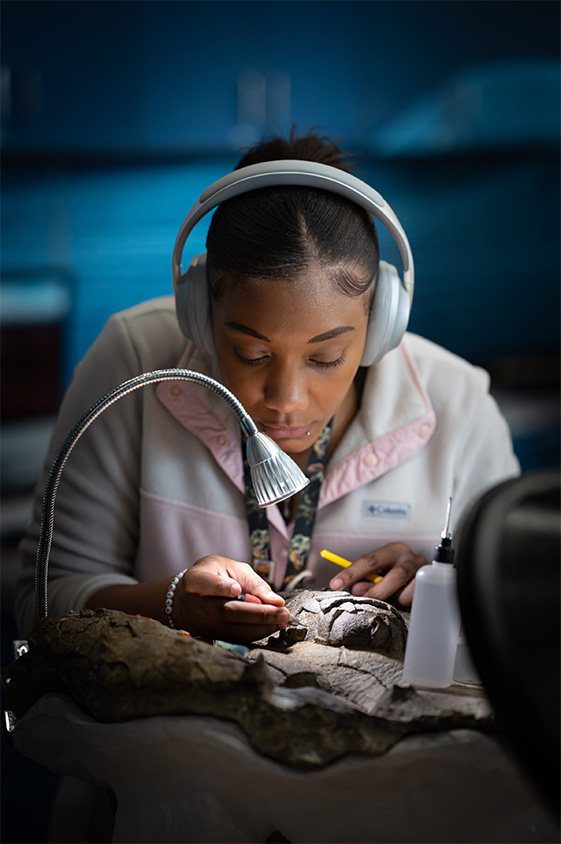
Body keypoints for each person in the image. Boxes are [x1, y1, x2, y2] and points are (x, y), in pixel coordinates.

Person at [15, 129, 519, 642]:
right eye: (252, 354)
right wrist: (170, 605)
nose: (287, 400)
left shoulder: (459, 405)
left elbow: (526, 622)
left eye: (325, 357)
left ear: (381, 324)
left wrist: (443, 591)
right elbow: (43, 599)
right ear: (202, 317)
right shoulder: (136, 361)